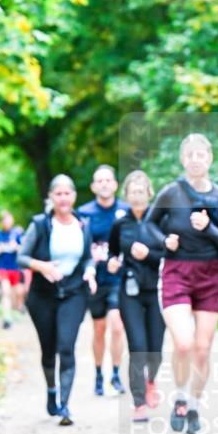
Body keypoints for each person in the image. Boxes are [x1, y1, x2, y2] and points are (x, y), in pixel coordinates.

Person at [145, 133, 218, 434]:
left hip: (210, 276)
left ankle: (195, 405)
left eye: (201, 154)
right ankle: (179, 396)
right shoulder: (171, 193)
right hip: (176, 271)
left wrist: (210, 228)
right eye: (190, 155)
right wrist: (164, 240)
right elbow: (148, 223)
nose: (196, 160)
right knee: (184, 342)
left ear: (210, 158)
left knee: (202, 348)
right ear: (183, 159)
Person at [18, 175, 97, 427]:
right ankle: (52, 390)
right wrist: (41, 266)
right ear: (51, 197)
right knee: (49, 350)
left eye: (67, 193)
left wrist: (90, 270)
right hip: (42, 295)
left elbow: (87, 257)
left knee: (66, 346)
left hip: (74, 293)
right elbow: (22, 257)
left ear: (74, 197)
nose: (63, 198)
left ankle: (65, 405)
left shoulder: (83, 224)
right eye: (58, 194)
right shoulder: (40, 224)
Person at [107, 170, 165, 422]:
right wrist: (111, 263)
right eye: (133, 192)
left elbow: (171, 255)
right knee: (137, 347)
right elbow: (112, 254)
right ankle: (139, 402)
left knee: (155, 349)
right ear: (127, 195)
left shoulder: (160, 220)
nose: (137, 196)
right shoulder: (120, 223)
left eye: (142, 191)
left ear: (149, 193)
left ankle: (151, 381)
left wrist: (149, 255)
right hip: (129, 290)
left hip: (158, 290)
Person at [78, 165, 131, 396]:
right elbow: (78, 246)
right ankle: (99, 375)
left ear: (115, 184)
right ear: (93, 186)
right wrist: (91, 254)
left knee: (117, 325)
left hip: (118, 277)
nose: (104, 184)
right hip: (94, 279)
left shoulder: (126, 211)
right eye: (99, 181)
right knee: (99, 329)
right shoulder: (83, 213)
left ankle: (116, 374)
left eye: (108, 180)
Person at [0, 210, 25, 329]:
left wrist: (16, 247)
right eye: (4, 220)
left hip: (15, 268)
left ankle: (14, 312)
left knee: (17, 293)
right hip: (2, 267)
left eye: (9, 220)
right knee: (6, 292)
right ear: (1, 222)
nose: (7, 222)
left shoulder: (17, 234)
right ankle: (7, 318)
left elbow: (24, 249)